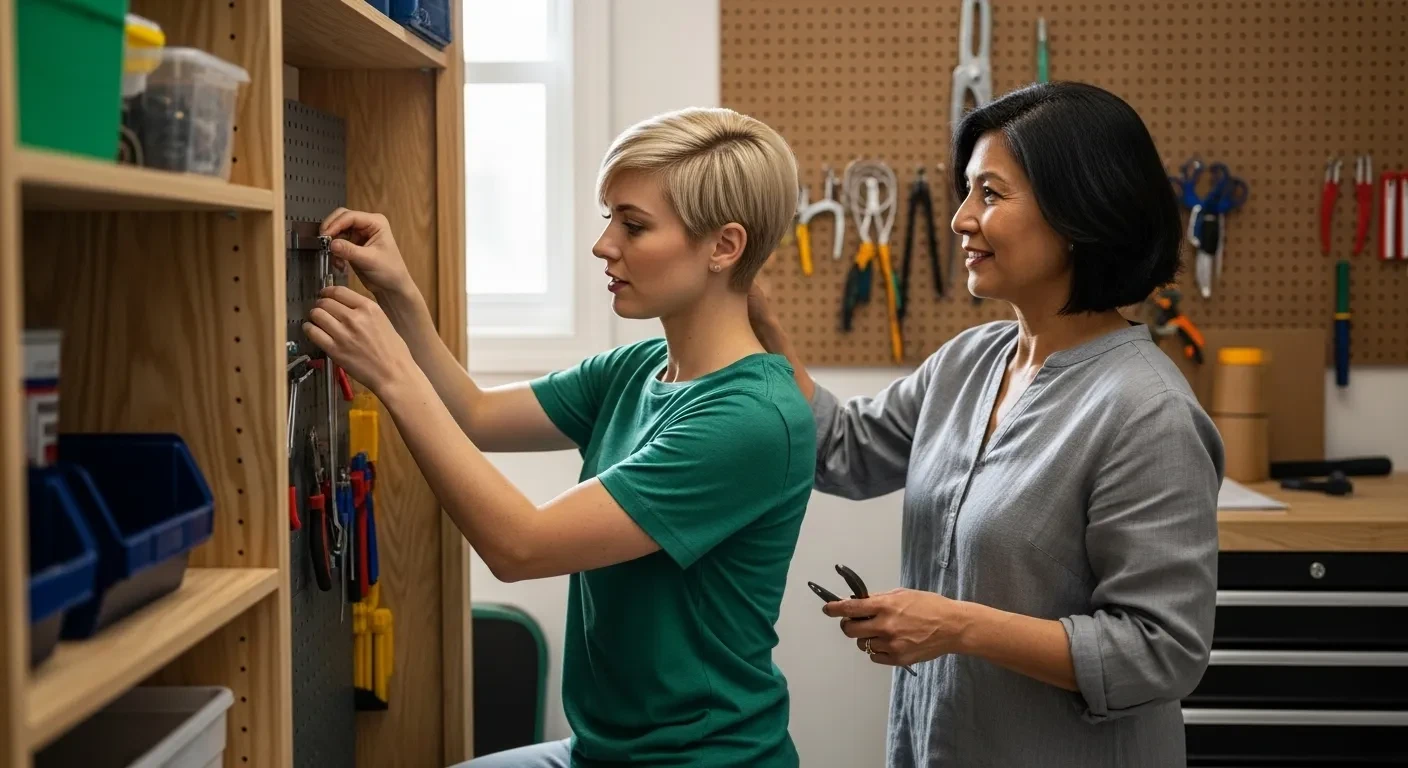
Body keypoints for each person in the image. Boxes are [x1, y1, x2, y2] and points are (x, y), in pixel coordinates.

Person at [304, 107, 815, 767]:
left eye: (633, 225)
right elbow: (476, 414)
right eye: (610, 219)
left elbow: (522, 546)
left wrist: (393, 374)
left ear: (724, 247)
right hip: (599, 752)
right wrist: (400, 294)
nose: (604, 245)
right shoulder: (639, 368)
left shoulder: (752, 419)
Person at [748, 81, 1224, 767]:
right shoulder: (971, 360)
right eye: (966, 192)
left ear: (1078, 213)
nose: (960, 219)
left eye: (991, 194)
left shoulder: (1148, 412)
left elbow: (1161, 653)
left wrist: (954, 625)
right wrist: (760, 318)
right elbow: (841, 451)